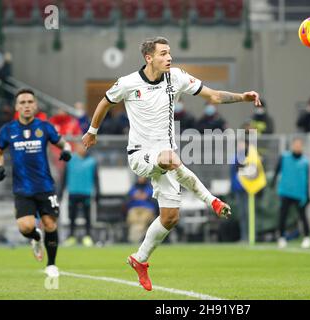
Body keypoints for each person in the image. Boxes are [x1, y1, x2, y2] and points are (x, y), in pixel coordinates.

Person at [82, 36, 261, 291]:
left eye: (169, 53)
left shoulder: (175, 77)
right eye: (163, 53)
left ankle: (140, 259)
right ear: (149, 58)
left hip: (166, 155)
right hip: (140, 155)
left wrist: (243, 97)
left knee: (170, 217)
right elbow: (105, 102)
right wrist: (92, 131)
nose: (169, 57)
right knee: (170, 159)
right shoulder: (128, 83)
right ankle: (212, 201)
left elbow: (213, 96)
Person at [0, 88, 72, 278]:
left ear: (35, 105)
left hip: (45, 186)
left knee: (50, 224)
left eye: (30, 102)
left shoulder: (44, 127)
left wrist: (66, 151)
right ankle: (35, 237)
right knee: (25, 227)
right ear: (16, 106)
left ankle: (51, 265)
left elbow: (64, 144)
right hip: (22, 189)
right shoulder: (8, 130)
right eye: (22, 102)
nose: (26, 105)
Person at [271, 138, 310, 249]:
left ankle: (307, 237)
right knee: (282, 215)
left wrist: (307, 195)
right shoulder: (284, 157)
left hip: (299, 193)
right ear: (292, 146)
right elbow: (277, 171)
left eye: (299, 145)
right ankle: (281, 238)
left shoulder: (305, 161)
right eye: (296, 145)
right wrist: (273, 182)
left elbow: (307, 179)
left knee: (303, 216)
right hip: (286, 191)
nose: (297, 147)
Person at [61, 143, 99, 247]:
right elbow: (64, 177)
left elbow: (96, 179)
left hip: (86, 193)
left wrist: (98, 193)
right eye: (80, 147)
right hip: (73, 192)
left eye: (84, 147)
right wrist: (61, 192)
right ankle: (71, 237)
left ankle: (87, 236)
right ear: (76, 148)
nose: (82, 149)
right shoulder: (70, 160)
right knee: (72, 216)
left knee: (88, 216)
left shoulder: (92, 161)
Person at [125, 176, 156, 243]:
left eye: (142, 177)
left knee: (142, 221)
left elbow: (153, 199)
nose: (141, 179)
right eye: (139, 177)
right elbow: (128, 198)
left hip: (147, 209)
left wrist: (144, 196)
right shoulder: (133, 188)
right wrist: (135, 196)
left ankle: (137, 239)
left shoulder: (150, 188)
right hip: (134, 209)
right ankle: (133, 239)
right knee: (134, 221)